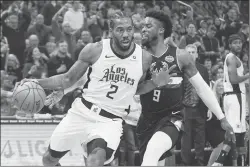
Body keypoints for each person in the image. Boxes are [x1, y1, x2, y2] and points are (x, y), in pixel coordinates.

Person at [18, 11, 175, 166]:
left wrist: (154, 83)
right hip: (81, 113)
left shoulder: (144, 58)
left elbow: (134, 89)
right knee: (48, 160)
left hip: (110, 121)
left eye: (129, 29)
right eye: (120, 30)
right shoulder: (95, 50)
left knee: (95, 160)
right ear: (111, 31)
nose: (126, 34)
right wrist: (36, 82)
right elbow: (67, 79)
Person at [136, 9, 235, 166]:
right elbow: (132, 90)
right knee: (154, 160)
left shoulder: (180, 56)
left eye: (148, 26)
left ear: (161, 30)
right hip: (146, 120)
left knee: (152, 152)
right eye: (143, 26)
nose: (143, 29)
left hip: (171, 117)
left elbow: (202, 88)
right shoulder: (138, 56)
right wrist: (154, 83)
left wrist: (221, 118)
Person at [181, 44, 209, 166]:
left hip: (200, 108)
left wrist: (208, 108)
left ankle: (200, 163)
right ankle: (185, 163)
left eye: (193, 52)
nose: (191, 54)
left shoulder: (203, 69)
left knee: (200, 138)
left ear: (197, 54)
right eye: (189, 52)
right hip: (184, 108)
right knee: (185, 140)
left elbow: (207, 90)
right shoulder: (180, 69)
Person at [223, 34, 249, 164]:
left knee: (236, 133)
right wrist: (247, 76)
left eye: (240, 42)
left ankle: (238, 163)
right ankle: (221, 162)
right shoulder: (232, 57)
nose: (238, 45)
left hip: (232, 96)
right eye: (235, 43)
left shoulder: (232, 58)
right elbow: (234, 80)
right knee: (236, 133)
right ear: (229, 45)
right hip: (235, 97)